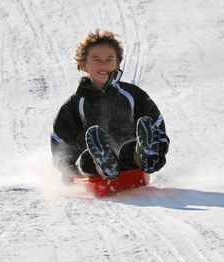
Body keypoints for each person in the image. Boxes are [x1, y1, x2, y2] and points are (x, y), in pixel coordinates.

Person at [50, 29, 169, 182]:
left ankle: (146, 155)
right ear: (83, 65)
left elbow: (156, 123)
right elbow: (60, 144)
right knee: (86, 160)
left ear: (117, 63)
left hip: (132, 162)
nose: (103, 65)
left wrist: (159, 147)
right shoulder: (75, 105)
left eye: (109, 59)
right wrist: (68, 170)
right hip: (91, 169)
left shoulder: (132, 95)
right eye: (96, 60)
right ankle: (103, 162)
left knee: (131, 149)